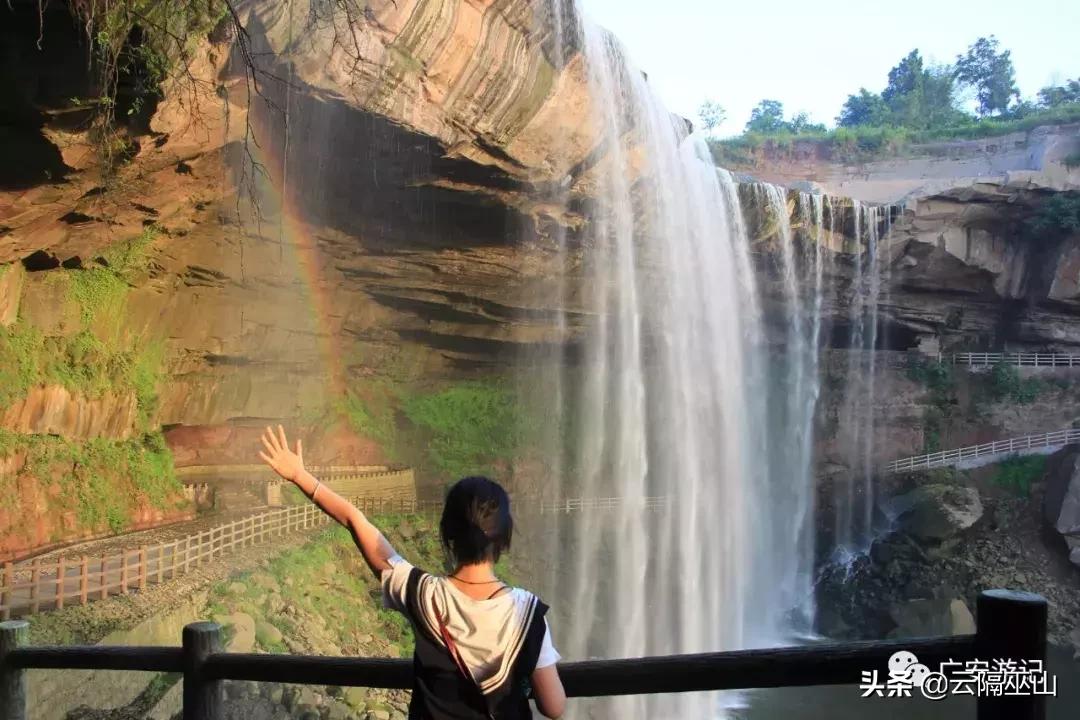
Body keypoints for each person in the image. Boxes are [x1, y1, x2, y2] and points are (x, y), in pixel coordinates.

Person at [258, 425, 566, 720]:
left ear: (447, 534)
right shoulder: (528, 612)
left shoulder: (421, 594)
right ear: (504, 538)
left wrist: (300, 475)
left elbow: (354, 520)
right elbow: (553, 706)